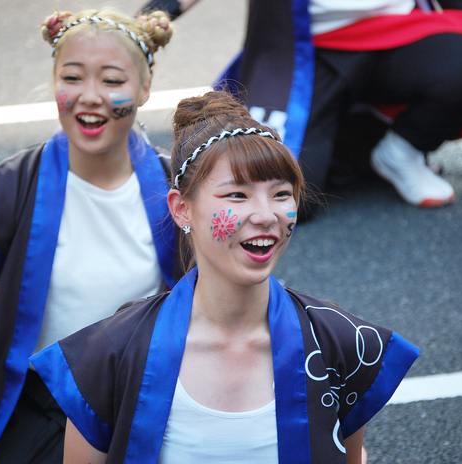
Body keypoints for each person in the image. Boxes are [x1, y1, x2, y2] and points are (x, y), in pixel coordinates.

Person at [31, 91, 420, 463]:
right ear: (182, 210)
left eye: (282, 194)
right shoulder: (111, 353)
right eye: (237, 195)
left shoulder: (341, 343)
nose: (265, 214)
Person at [0, 8, 177, 464]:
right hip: (37, 406)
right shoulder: (11, 189)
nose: (90, 97)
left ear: (145, 89)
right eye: (72, 78)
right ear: (54, 84)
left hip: (140, 404)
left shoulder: (178, 193)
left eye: (112, 81)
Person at [141, 0, 462, 211]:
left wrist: (460, 25)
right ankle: (356, 145)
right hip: (306, 50)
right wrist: (148, 21)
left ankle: (399, 152)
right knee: (287, 198)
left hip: (398, 33)